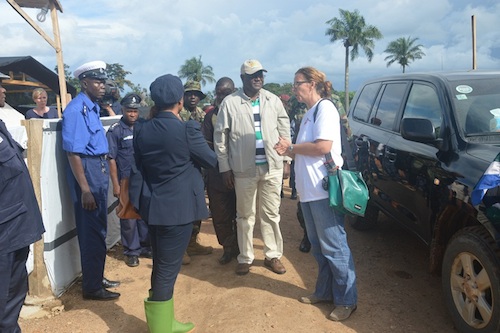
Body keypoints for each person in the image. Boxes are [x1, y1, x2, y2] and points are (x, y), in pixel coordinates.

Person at [134, 74, 217, 333]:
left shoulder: (142, 128)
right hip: (178, 211)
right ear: (180, 101)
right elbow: (211, 160)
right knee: (167, 270)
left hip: (152, 207)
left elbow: (138, 168)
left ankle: (165, 321)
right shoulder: (186, 129)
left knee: (161, 264)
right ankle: (161, 327)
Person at [274, 66, 358, 321]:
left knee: (335, 246)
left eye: (297, 84)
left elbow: (323, 146)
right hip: (309, 193)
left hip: (324, 191)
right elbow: (305, 150)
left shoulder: (326, 109)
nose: (294, 89)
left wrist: (293, 146)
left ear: (311, 84)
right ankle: (324, 291)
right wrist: (288, 151)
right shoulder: (309, 113)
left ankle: (346, 299)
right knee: (319, 248)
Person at [214, 59, 291, 275]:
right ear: (243, 78)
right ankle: (245, 257)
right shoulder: (230, 103)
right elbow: (220, 137)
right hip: (242, 169)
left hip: (272, 166)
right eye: (253, 75)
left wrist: (286, 161)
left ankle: (272, 255)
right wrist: (225, 167)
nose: (258, 78)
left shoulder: (273, 100)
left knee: (271, 214)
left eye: (260, 74)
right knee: (245, 215)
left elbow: (285, 132)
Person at [62, 60, 120, 301]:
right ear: (84, 82)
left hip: (98, 167)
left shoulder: (92, 107)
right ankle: (92, 287)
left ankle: (97, 276)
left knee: (99, 229)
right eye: (97, 81)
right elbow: (73, 152)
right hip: (87, 170)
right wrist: (85, 189)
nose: (102, 86)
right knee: (91, 231)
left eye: (103, 82)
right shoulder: (77, 110)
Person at [0, 74, 45, 332]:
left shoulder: (1, 126)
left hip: (15, 232)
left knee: (12, 299)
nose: (4, 90)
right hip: (3, 237)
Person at [107, 93, 151, 268]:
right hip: (125, 180)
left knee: (144, 215)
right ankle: (131, 251)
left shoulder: (144, 127)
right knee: (128, 217)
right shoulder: (116, 131)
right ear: (122, 110)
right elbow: (111, 159)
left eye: (135, 111)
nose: (132, 114)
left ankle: (145, 246)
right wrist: (116, 185)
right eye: (129, 111)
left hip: (143, 178)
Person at [201, 77, 239, 265]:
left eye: (227, 93)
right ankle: (228, 247)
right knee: (220, 215)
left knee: (241, 214)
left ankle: (241, 248)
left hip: (241, 174)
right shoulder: (210, 117)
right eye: (219, 93)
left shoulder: (242, 114)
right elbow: (206, 146)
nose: (223, 97)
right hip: (217, 175)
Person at [179, 80, 213, 263]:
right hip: (182, 166)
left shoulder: (203, 115)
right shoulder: (177, 114)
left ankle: (192, 242)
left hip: (199, 166)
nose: (193, 96)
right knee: (183, 206)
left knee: (198, 204)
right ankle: (181, 247)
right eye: (189, 93)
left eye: (196, 94)